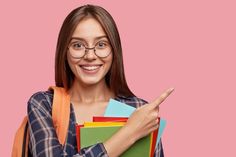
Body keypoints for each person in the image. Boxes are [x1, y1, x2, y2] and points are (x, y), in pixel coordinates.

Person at [27, 4, 173, 157]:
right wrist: (129, 133)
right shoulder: (44, 104)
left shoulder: (139, 110)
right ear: (65, 51)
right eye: (78, 45)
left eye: (101, 44)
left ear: (114, 50)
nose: (90, 56)